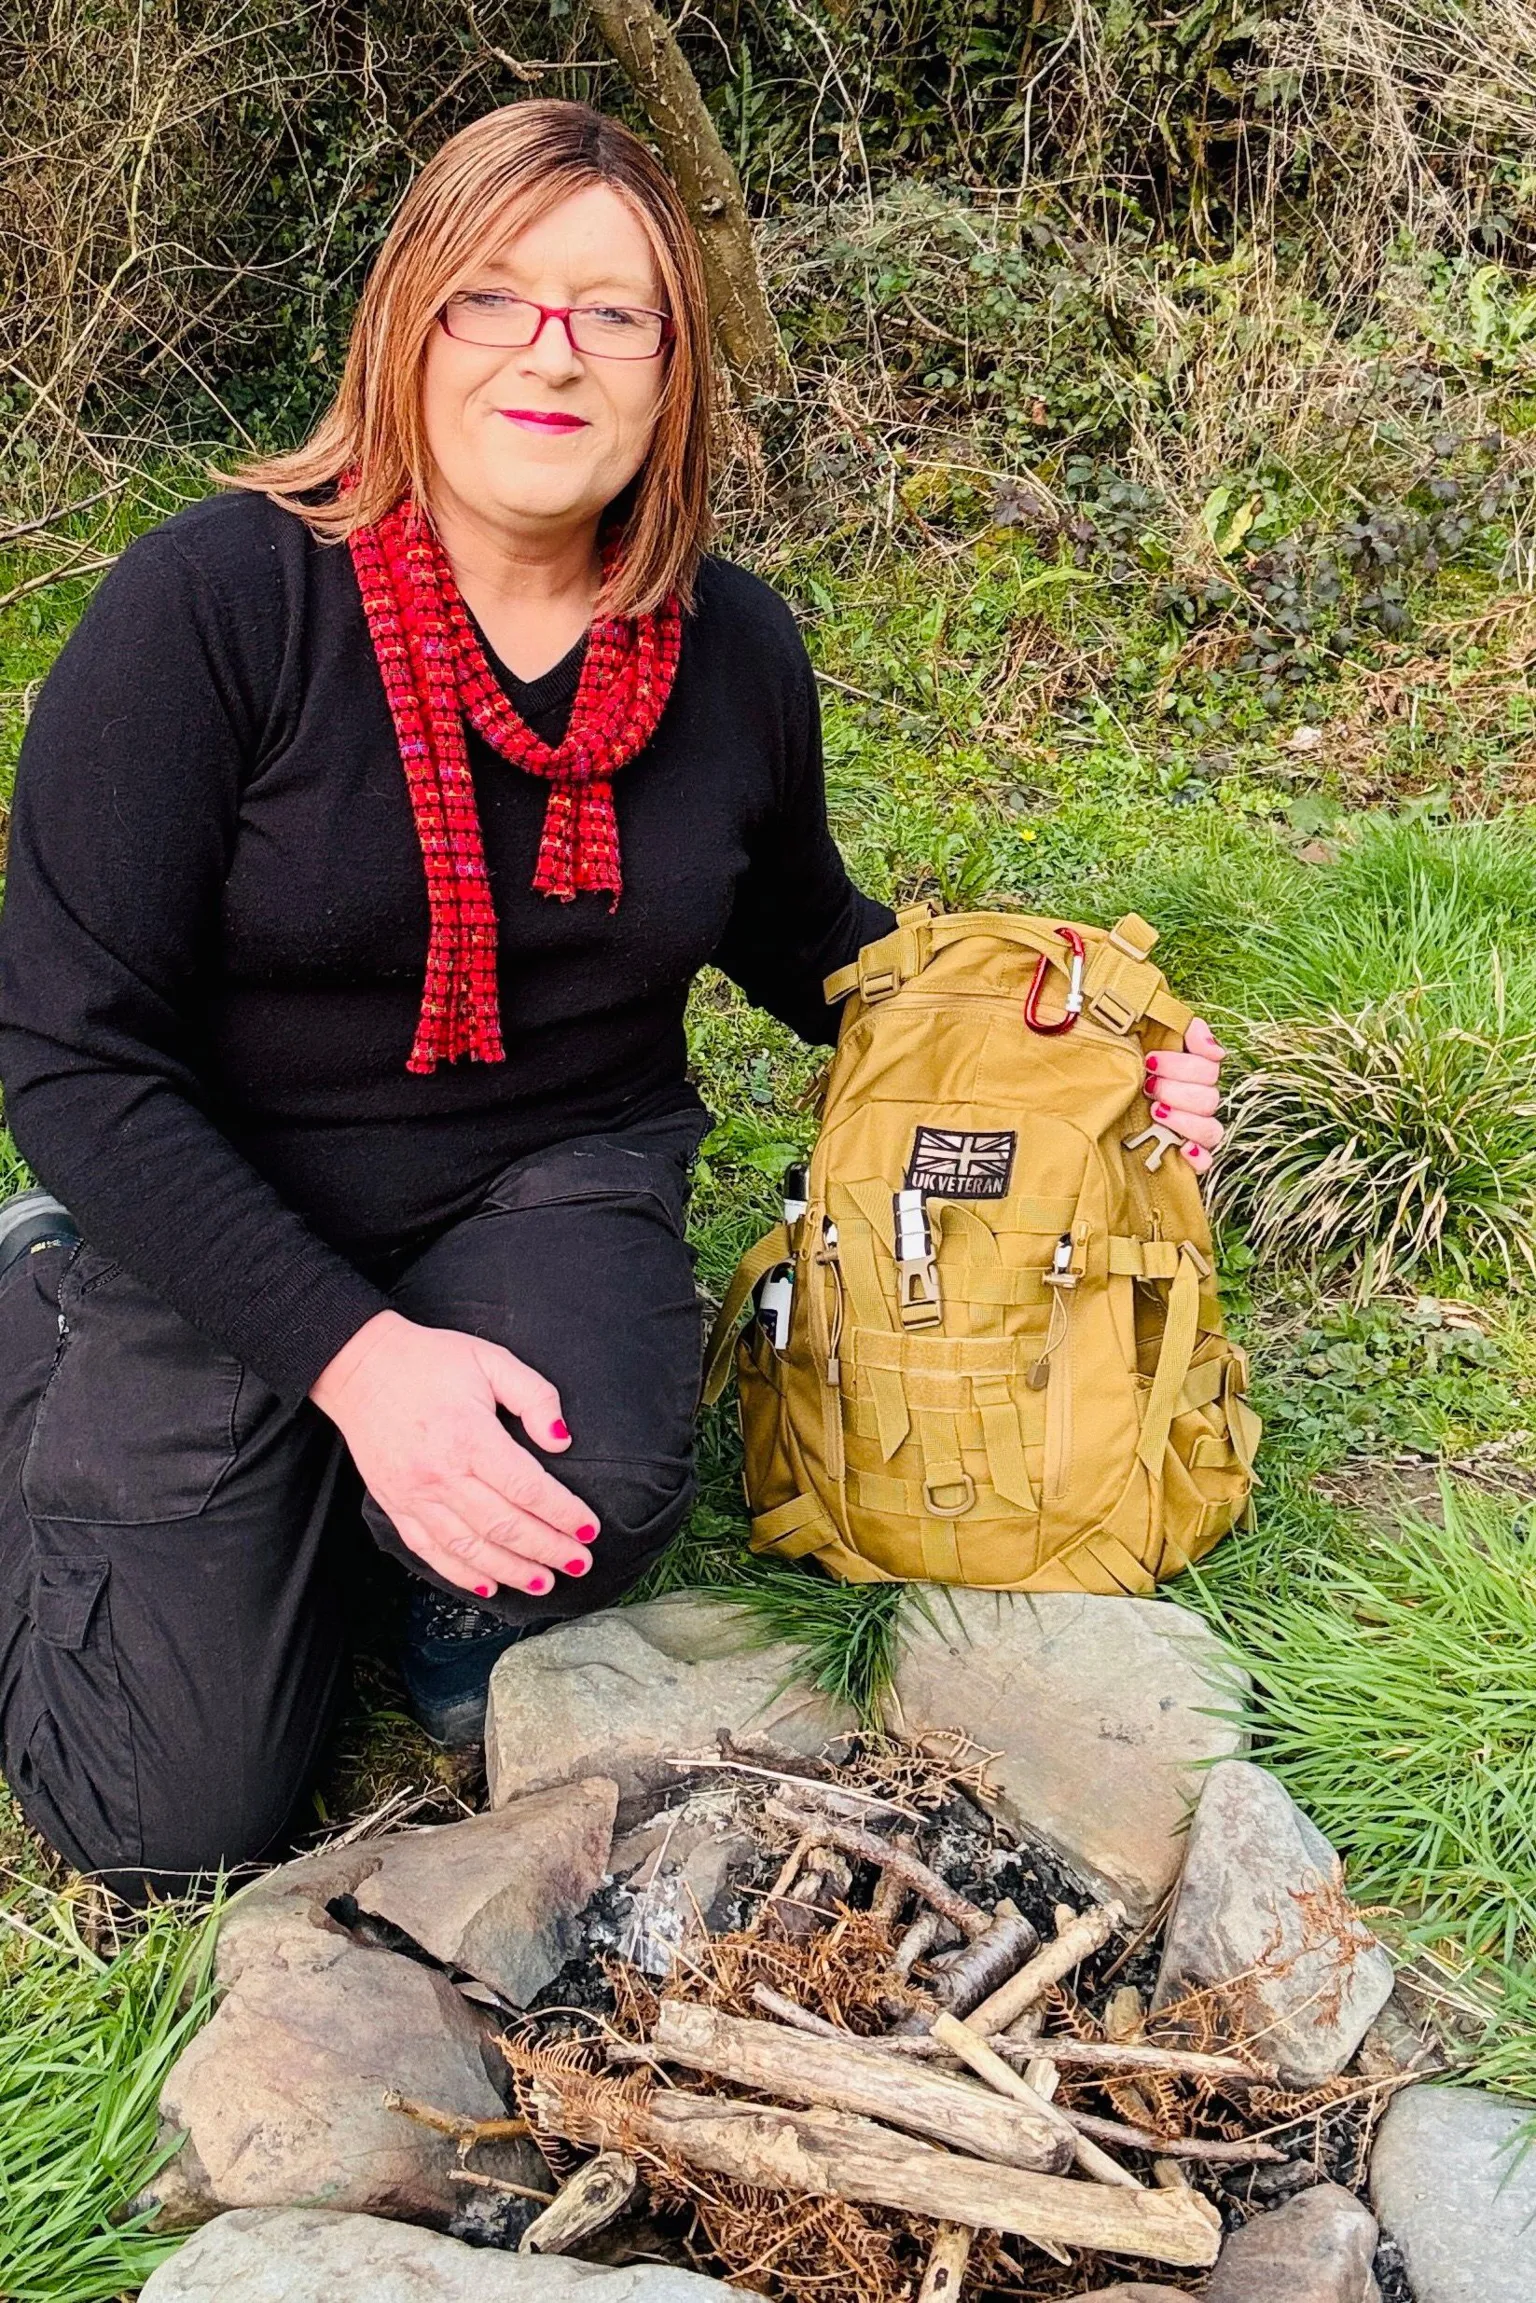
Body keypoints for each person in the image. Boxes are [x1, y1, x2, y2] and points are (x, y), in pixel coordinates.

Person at [0, 101, 1225, 1896]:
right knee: (160, 1826)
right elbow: (69, 1053)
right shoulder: (219, 600)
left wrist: (1085, 1058)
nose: (551, 353)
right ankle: (45, 1326)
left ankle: (395, 1556)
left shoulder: (731, 649)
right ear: (408, 327)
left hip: (541, 1174)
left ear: (676, 372)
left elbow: (818, 942)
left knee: (589, 1485)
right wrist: (359, 1364)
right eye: (495, 298)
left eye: (612, 312)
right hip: (221, 1185)